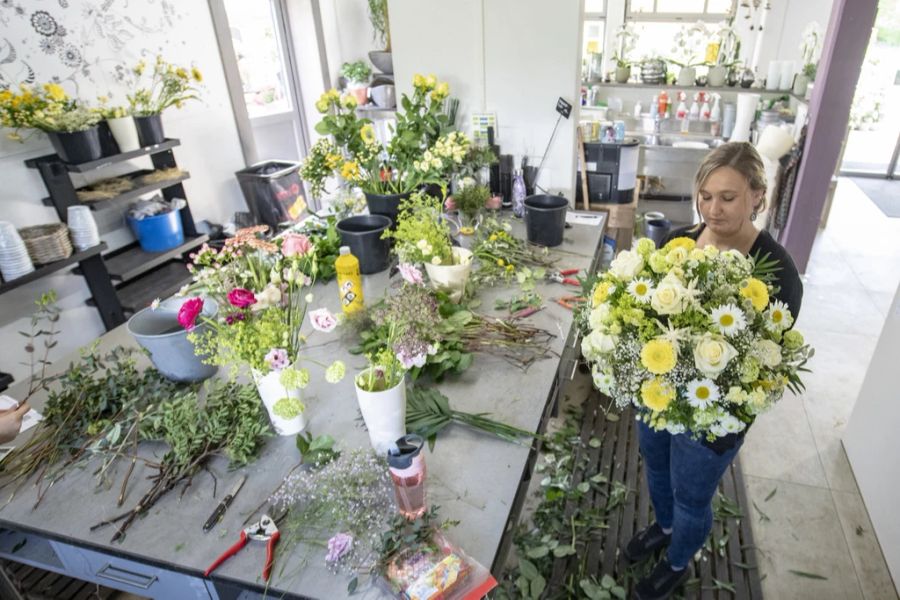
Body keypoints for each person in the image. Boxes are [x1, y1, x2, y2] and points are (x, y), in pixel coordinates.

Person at [627, 142, 803, 600]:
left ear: (758, 196)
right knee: (657, 469)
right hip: (660, 395)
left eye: (727, 197)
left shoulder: (778, 275)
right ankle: (664, 527)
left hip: (713, 417)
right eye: (705, 196)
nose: (713, 208)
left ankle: (678, 559)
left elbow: (767, 362)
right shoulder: (677, 244)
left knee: (691, 495)